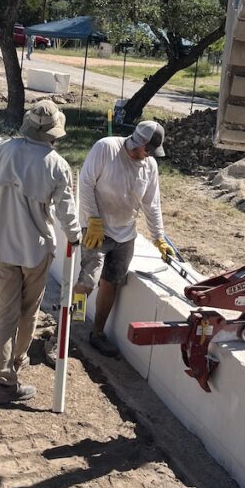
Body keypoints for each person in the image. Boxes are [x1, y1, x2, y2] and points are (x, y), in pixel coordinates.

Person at [0, 101, 81, 404]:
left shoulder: (5, 150)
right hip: (35, 250)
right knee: (28, 312)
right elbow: (66, 214)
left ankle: (3, 379)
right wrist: (77, 238)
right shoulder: (56, 165)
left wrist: (0, 209)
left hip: (2, 245)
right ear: (54, 133)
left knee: (6, 312)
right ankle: (15, 365)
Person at [74, 120, 173, 357]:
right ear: (138, 142)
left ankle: (97, 333)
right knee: (86, 283)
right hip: (97, 231)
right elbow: (86, 183)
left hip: (125, 235)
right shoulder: (106, 149)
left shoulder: (149, 166)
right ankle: (64, 330)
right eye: (147, 150)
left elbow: (152, 204)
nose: (148, 156)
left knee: (111, 282)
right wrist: (92, 221)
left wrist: (159, 237)